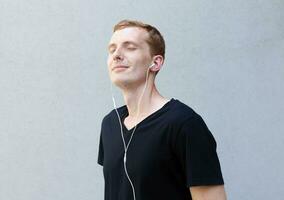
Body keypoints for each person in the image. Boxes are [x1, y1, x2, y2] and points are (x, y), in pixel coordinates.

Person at [97, 19, 227, 200]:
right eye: (112, 49)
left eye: (130, 47)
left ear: (156, 63)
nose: (116, 55)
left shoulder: (184, 123)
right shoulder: (110, 124)